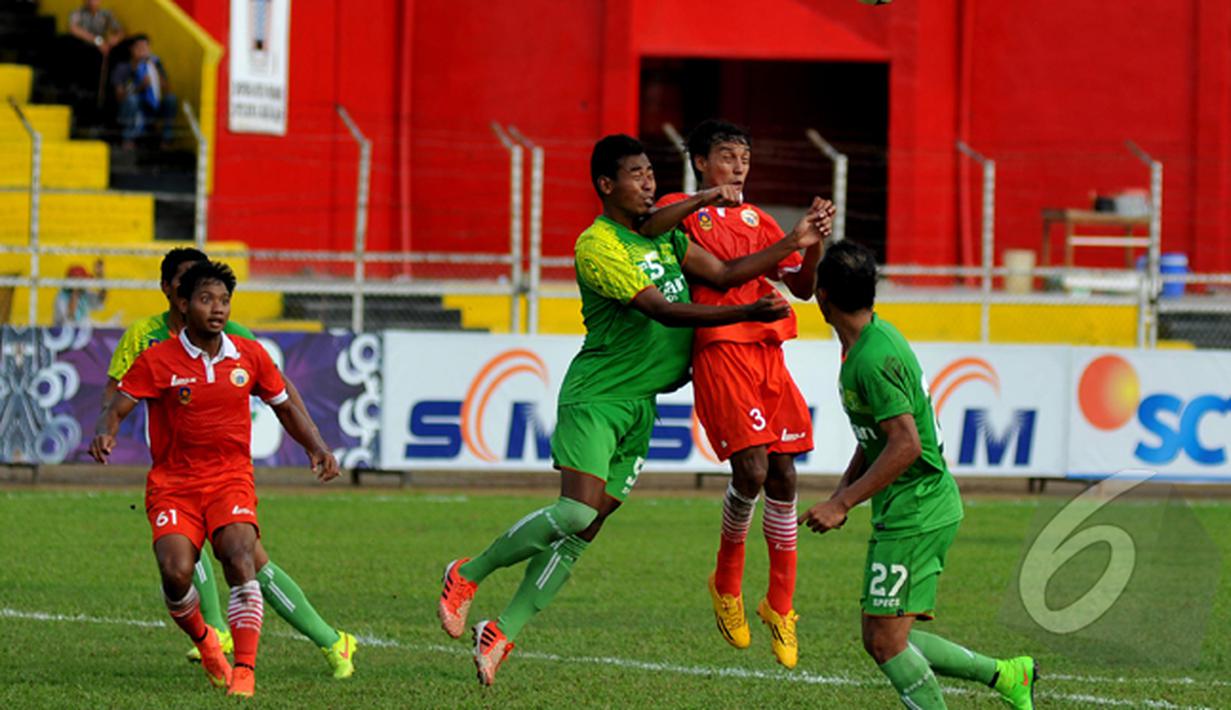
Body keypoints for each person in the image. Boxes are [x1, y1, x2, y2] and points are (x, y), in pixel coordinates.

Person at [437, 134, 833, 686]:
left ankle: (501, 631)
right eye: (636, 174)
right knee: (576, 512)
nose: (647, 182)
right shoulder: (598, 246)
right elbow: (665, 311)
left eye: (651, 172)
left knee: (585, 532)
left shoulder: (665, 237)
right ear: (606, 185)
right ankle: (467, 571)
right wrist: (744, 309)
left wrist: (795, 241)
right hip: (599, 397)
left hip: (640, 409)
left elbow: (721, 274)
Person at [799, 240, 1036, 709]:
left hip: (919, 508)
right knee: (882, 637)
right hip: (911, 505)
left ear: (822, 295)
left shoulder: (872, 359)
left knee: (886, 642)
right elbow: (878, 438)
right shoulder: (869, 342)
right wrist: (842, 493)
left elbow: (906, 445)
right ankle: (1008, 675)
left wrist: (843, 503)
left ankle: (1004, 678)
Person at [102, 247, 357, 680]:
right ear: (172, 292)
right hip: (174, 471)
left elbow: (281, 393)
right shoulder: (145, 339)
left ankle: (237, 641)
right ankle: (301, 639)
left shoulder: (236, 339)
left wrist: (315, 443)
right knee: (200, 557)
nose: (213, 304)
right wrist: (105, 429)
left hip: (224, 475)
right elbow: (116, 395)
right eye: (195, 289)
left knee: (245, 559)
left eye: (220, 296)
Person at [654, 120, 822, 668]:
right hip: (722, 343)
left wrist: (811, 244)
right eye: (727, 155)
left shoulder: (761, 219)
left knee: (785, 472)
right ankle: (726, 582)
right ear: (701, 161)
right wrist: (787, 240)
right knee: (750, 469)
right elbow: (722, 277)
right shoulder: (684, 208)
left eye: (744, 156)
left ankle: (780, 605)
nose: (739, 165)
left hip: (768, 348)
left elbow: (802, 286)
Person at [111, 34, 177, 150]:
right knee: (132, 100)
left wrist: (155, 74)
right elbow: (119, 96)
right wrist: (141, 86)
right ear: (131, 49)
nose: (143, 50)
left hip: (152, 104)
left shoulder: (155, 65)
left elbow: (167, 89)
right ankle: (129, 139)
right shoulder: (123, 68)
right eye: (139, 47)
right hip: (132, 107)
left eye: (146, 47)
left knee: (171, 99)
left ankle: (167, 139)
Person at [54, 261, 106, 326]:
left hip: (83, 331)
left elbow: (101, 299)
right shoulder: (61, 298)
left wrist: (101, 276)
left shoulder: (84, 293)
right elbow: (69, 320)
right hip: (67, 333)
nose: (87, 282)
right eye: (85, 280)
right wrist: (75, 292)